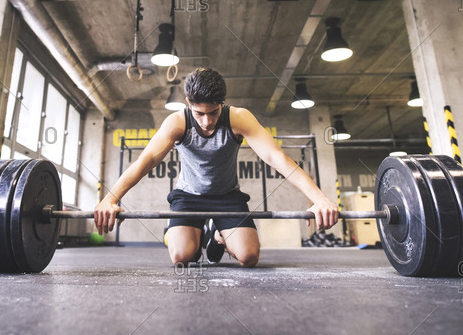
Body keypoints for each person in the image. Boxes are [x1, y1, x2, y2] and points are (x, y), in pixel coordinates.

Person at [94, 68, 338, 267]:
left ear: (223, 102)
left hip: (227, 196)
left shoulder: (238, 118)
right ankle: (199, 233)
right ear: (188, 103)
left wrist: (319, 199)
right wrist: (110, 199)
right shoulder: (177, 122)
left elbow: (277, 158)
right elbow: (145, 161)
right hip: (189, 197)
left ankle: (218, 235)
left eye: (214, 112)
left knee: (249, 257)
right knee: (181, 257)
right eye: (199, 113)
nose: (207, 121)